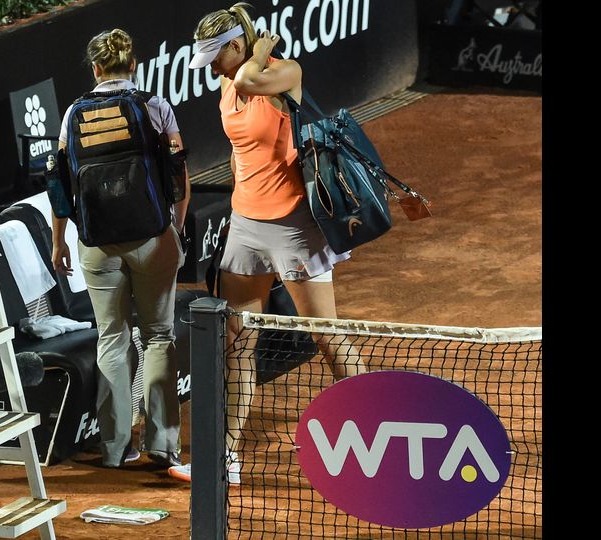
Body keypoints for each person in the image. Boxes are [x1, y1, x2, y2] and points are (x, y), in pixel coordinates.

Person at [168, 2, 366, 485]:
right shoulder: (227, 80)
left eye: (216, 57)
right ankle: (225, 458)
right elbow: (240, 150)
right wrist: (239, 203)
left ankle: (377, 435)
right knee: (236, 340)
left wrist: (260, 53)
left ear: (238, 45)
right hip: (246, 226)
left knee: (328, 338)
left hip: (295, 226)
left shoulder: (284, 73)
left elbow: (249, 82)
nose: (211, 69)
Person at [51, 28, 192, 469]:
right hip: (153, 239)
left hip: (97, 245)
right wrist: (174, 228)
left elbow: (59, 184)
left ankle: (113, 449)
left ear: (95, 69)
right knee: (158, 336)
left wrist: (58, 241)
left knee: (110, 339)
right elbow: (178, 175)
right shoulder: (155, 106)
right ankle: (163, 446)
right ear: (133, 65)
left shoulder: (73, 113)